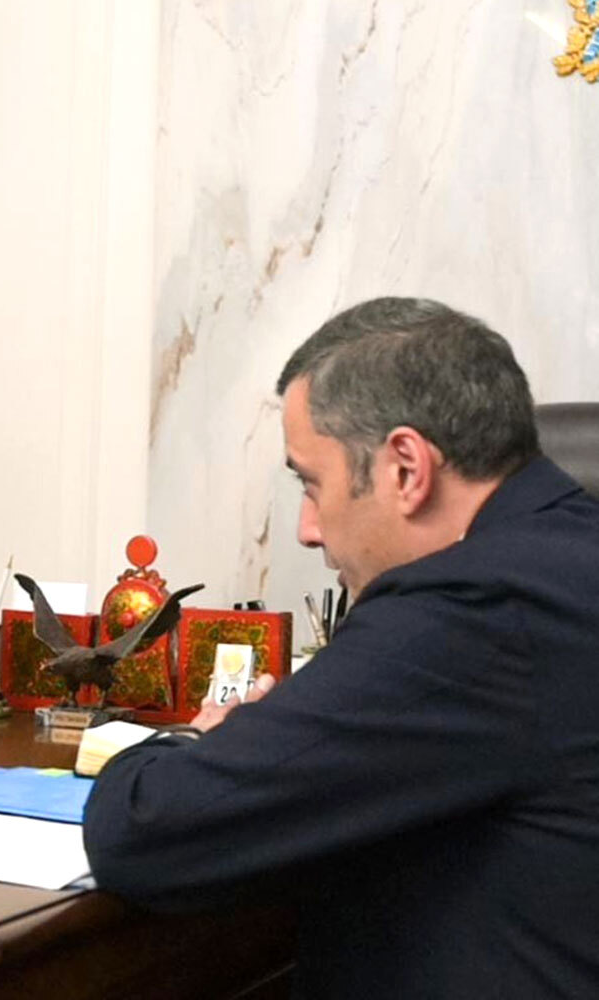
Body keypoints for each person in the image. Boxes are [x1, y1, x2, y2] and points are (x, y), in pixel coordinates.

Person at [83, 298, 599, 997]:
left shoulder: (473, 607)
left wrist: (194, 739)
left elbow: (145, 832)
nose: (307, 529)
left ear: (406, 469)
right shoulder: (568, 547)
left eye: (311, 483)